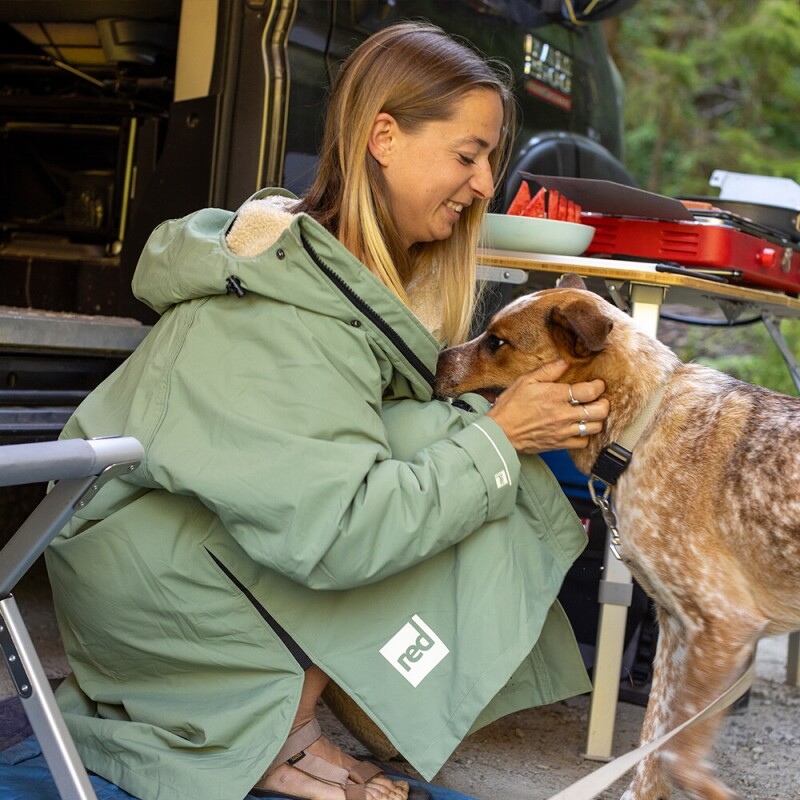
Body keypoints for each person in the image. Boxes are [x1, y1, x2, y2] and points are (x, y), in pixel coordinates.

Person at [45, 20, 609, 800]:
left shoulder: (329, 281)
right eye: (468, 156)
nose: (485, 186)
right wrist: (501, 438)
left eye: (490, 162)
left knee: (438, 436)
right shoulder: (291, 314)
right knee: (466, 459)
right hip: (146, 586)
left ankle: (297, 723)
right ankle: (261, 727)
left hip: (168, 554)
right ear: (384, 136)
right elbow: (338, 532)